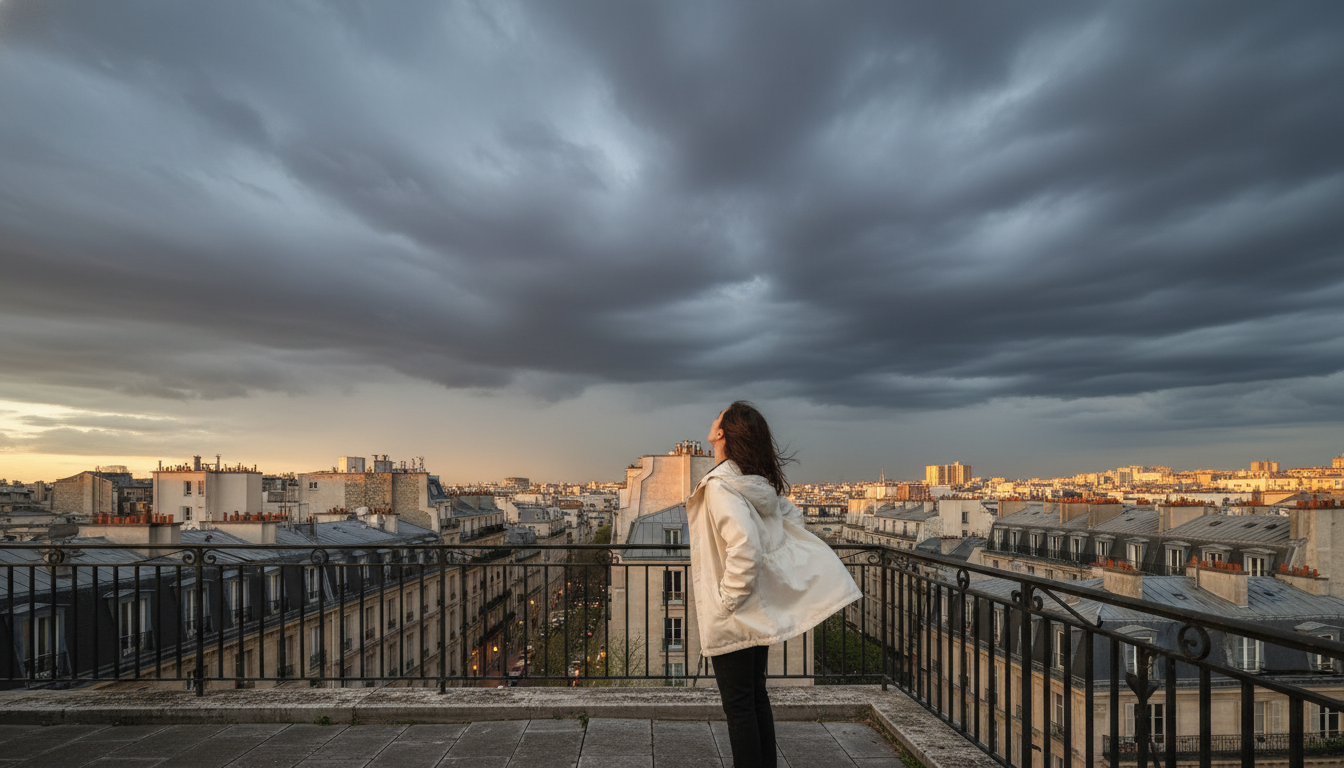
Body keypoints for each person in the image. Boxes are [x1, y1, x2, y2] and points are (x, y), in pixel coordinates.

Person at [686, 401, 864, 768]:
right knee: (755, 699)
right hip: (757, 610)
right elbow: (790, 522)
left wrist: (727, 601)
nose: (713, 416)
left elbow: (745, 546)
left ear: (722, 433)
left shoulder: (721, 487)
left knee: (738, 708)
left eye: (719, 415)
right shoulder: (756, 486)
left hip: (735, 615)